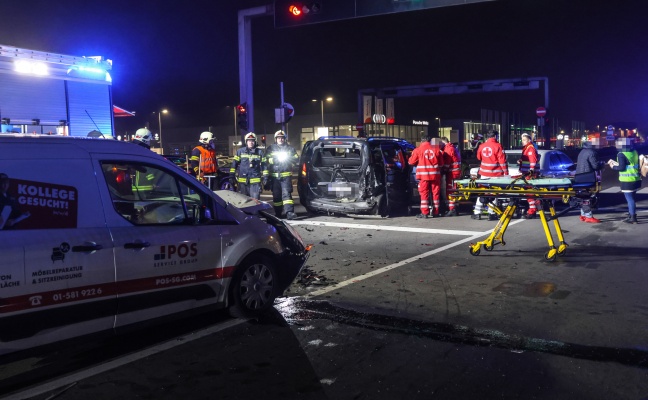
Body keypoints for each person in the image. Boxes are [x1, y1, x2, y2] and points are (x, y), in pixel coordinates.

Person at [473, 130, 508, 220]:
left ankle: (477, 213)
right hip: (495, 173)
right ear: (495, 136)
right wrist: (506, 172)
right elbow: (502, 161)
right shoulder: (498, 146)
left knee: (482, 192)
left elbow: (478, 157)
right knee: (494, 193)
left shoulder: (482, 146)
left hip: (484, 173)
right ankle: (491, 213)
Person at [265, 130, 299, 219]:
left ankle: (289, 212)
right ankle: (278, 213)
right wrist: (273, 160)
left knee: (287, 195)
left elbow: (296, 159)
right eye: (279, 138)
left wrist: (289, 159)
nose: (280, 139)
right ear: (275, 139)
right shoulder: (270, 148)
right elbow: (265, 160)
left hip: (285, 176)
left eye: (282, 138)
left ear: (285, 139)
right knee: (276, 196)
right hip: (274, 177)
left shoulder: (290, 149)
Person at [408, 136, 444, 218]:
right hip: (435, 175)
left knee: (424, 194)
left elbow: (411, 162)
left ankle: (425, 213)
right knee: (436, 194)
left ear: (422, 141)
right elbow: (441, 164)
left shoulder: (418, 150)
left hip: (423, 176)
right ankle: (436, 212)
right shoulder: (437, 149)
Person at [608, 137, 641, 224]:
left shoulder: (621, 154)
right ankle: (631, 214)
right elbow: (629, 164)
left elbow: (622, 168)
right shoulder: (634, 152)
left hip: (627, 180)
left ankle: (633, 217)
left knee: (630, 199)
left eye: (616, 144)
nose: (615, 145)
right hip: (636, 179)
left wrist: (613, 166)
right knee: (632, 198)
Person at [230, 132, 267, 200]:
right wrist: (231, 176)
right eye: (249, 141)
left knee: (255, 202)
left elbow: (264, 166)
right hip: (243, 183)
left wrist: (265, 177)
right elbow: (234, 164)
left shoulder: (260, 152)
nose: (251, 142)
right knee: (243, 203)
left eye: (252, 141)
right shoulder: (240, 152)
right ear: (246, 142)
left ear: (255, 141)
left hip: (255, 183)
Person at [575, 138, 605, 223]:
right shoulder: (592, 152)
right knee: (588, 196)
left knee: (583, 195)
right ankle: (588, 216)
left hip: (580, 176)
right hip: (587, 176)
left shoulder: (582, 152)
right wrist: (601, 165)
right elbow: (595, 166)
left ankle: (583, 215)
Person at [518, 133, 540, 219]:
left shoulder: (530, 148)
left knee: (529, 193)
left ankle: (532, 211)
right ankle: (536, 208)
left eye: (524, 140)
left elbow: (532, 160)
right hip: (528, 173)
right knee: (532, 193)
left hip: (530, 174)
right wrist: (521, 161)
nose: (522, 141)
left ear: (529, 140)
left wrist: (531, 170)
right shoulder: (527, 148)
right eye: (522, 140)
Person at [440, 137, 461, 217]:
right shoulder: (452, 147)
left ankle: (452, 209)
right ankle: (455, 207)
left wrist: (443, 170)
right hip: (454, 172)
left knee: (450, 190)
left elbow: (447, 163)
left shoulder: (448, 149)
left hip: (452, 172)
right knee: (454, 190)